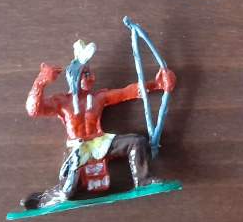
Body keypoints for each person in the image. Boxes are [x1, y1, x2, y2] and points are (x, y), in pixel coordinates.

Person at [21, 40, 175, 209]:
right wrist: (41, 81)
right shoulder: (62, 101)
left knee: (136, 142)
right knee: (67, 191)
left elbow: (127, 92)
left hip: (101, 143)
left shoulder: (98, 97)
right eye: (86, 74)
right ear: (74, 76)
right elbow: (33, 110)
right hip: (78, 148)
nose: (91, 77)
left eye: (90, 73)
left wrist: (157, 84)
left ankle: (143, 180)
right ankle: (42, 200)